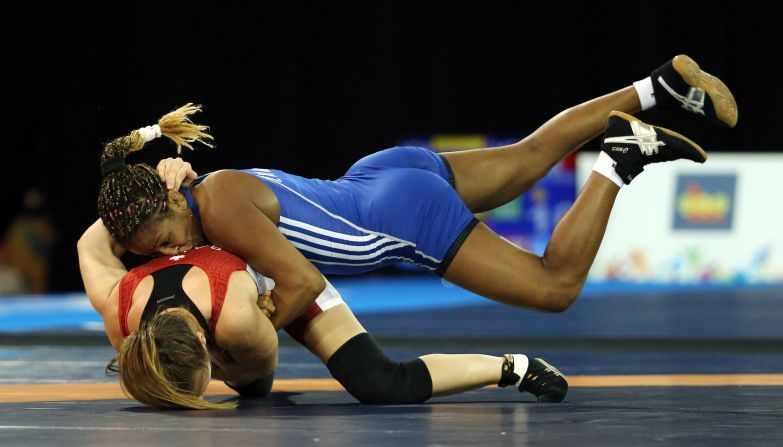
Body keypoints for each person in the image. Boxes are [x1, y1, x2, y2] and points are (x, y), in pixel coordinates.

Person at [92, 54, 737, 332]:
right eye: (156, 255)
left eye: (169, 243)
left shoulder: (220, 211)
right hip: (377, 174)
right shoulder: (197, 186)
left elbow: (303, 285)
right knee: (532, 154)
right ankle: (655, 88)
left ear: (174, 203)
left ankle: (618, 162)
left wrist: (222, 350)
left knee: (554, 288)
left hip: (399, 215)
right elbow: (135, 219)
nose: (172, 256)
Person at [77, 220, 568, 409]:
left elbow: (261, 369)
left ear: (207, 347)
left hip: (286, 279)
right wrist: (131, 206)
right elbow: (93, 240)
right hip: (230, 287)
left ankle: (513, 367)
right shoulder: (118, 305)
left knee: (379, 383)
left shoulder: (237, 325)